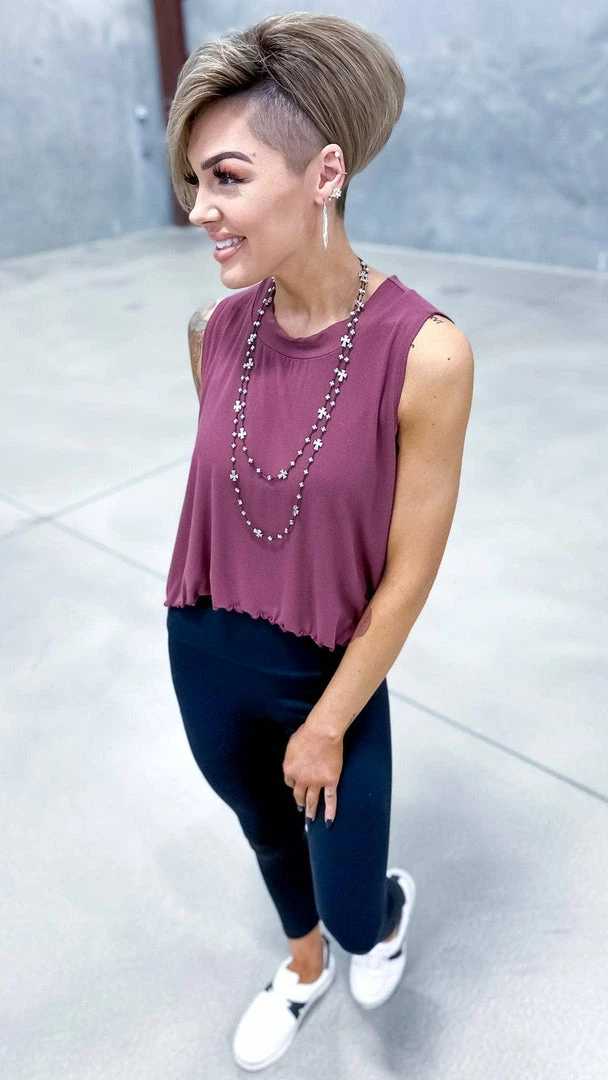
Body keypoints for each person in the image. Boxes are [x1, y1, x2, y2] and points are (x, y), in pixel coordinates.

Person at [163, 11, 473, 1072]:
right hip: (205, 649)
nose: (199, 209)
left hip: (324, 674)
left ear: (325, 173)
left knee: (349, 906)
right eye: (194, 180)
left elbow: (410, 572)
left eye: (227, 178)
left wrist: (330, 720)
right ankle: (301, 968)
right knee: (263, 831)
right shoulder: (212, 331)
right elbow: (246, 501)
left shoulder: (425, 353)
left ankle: (375, 917)